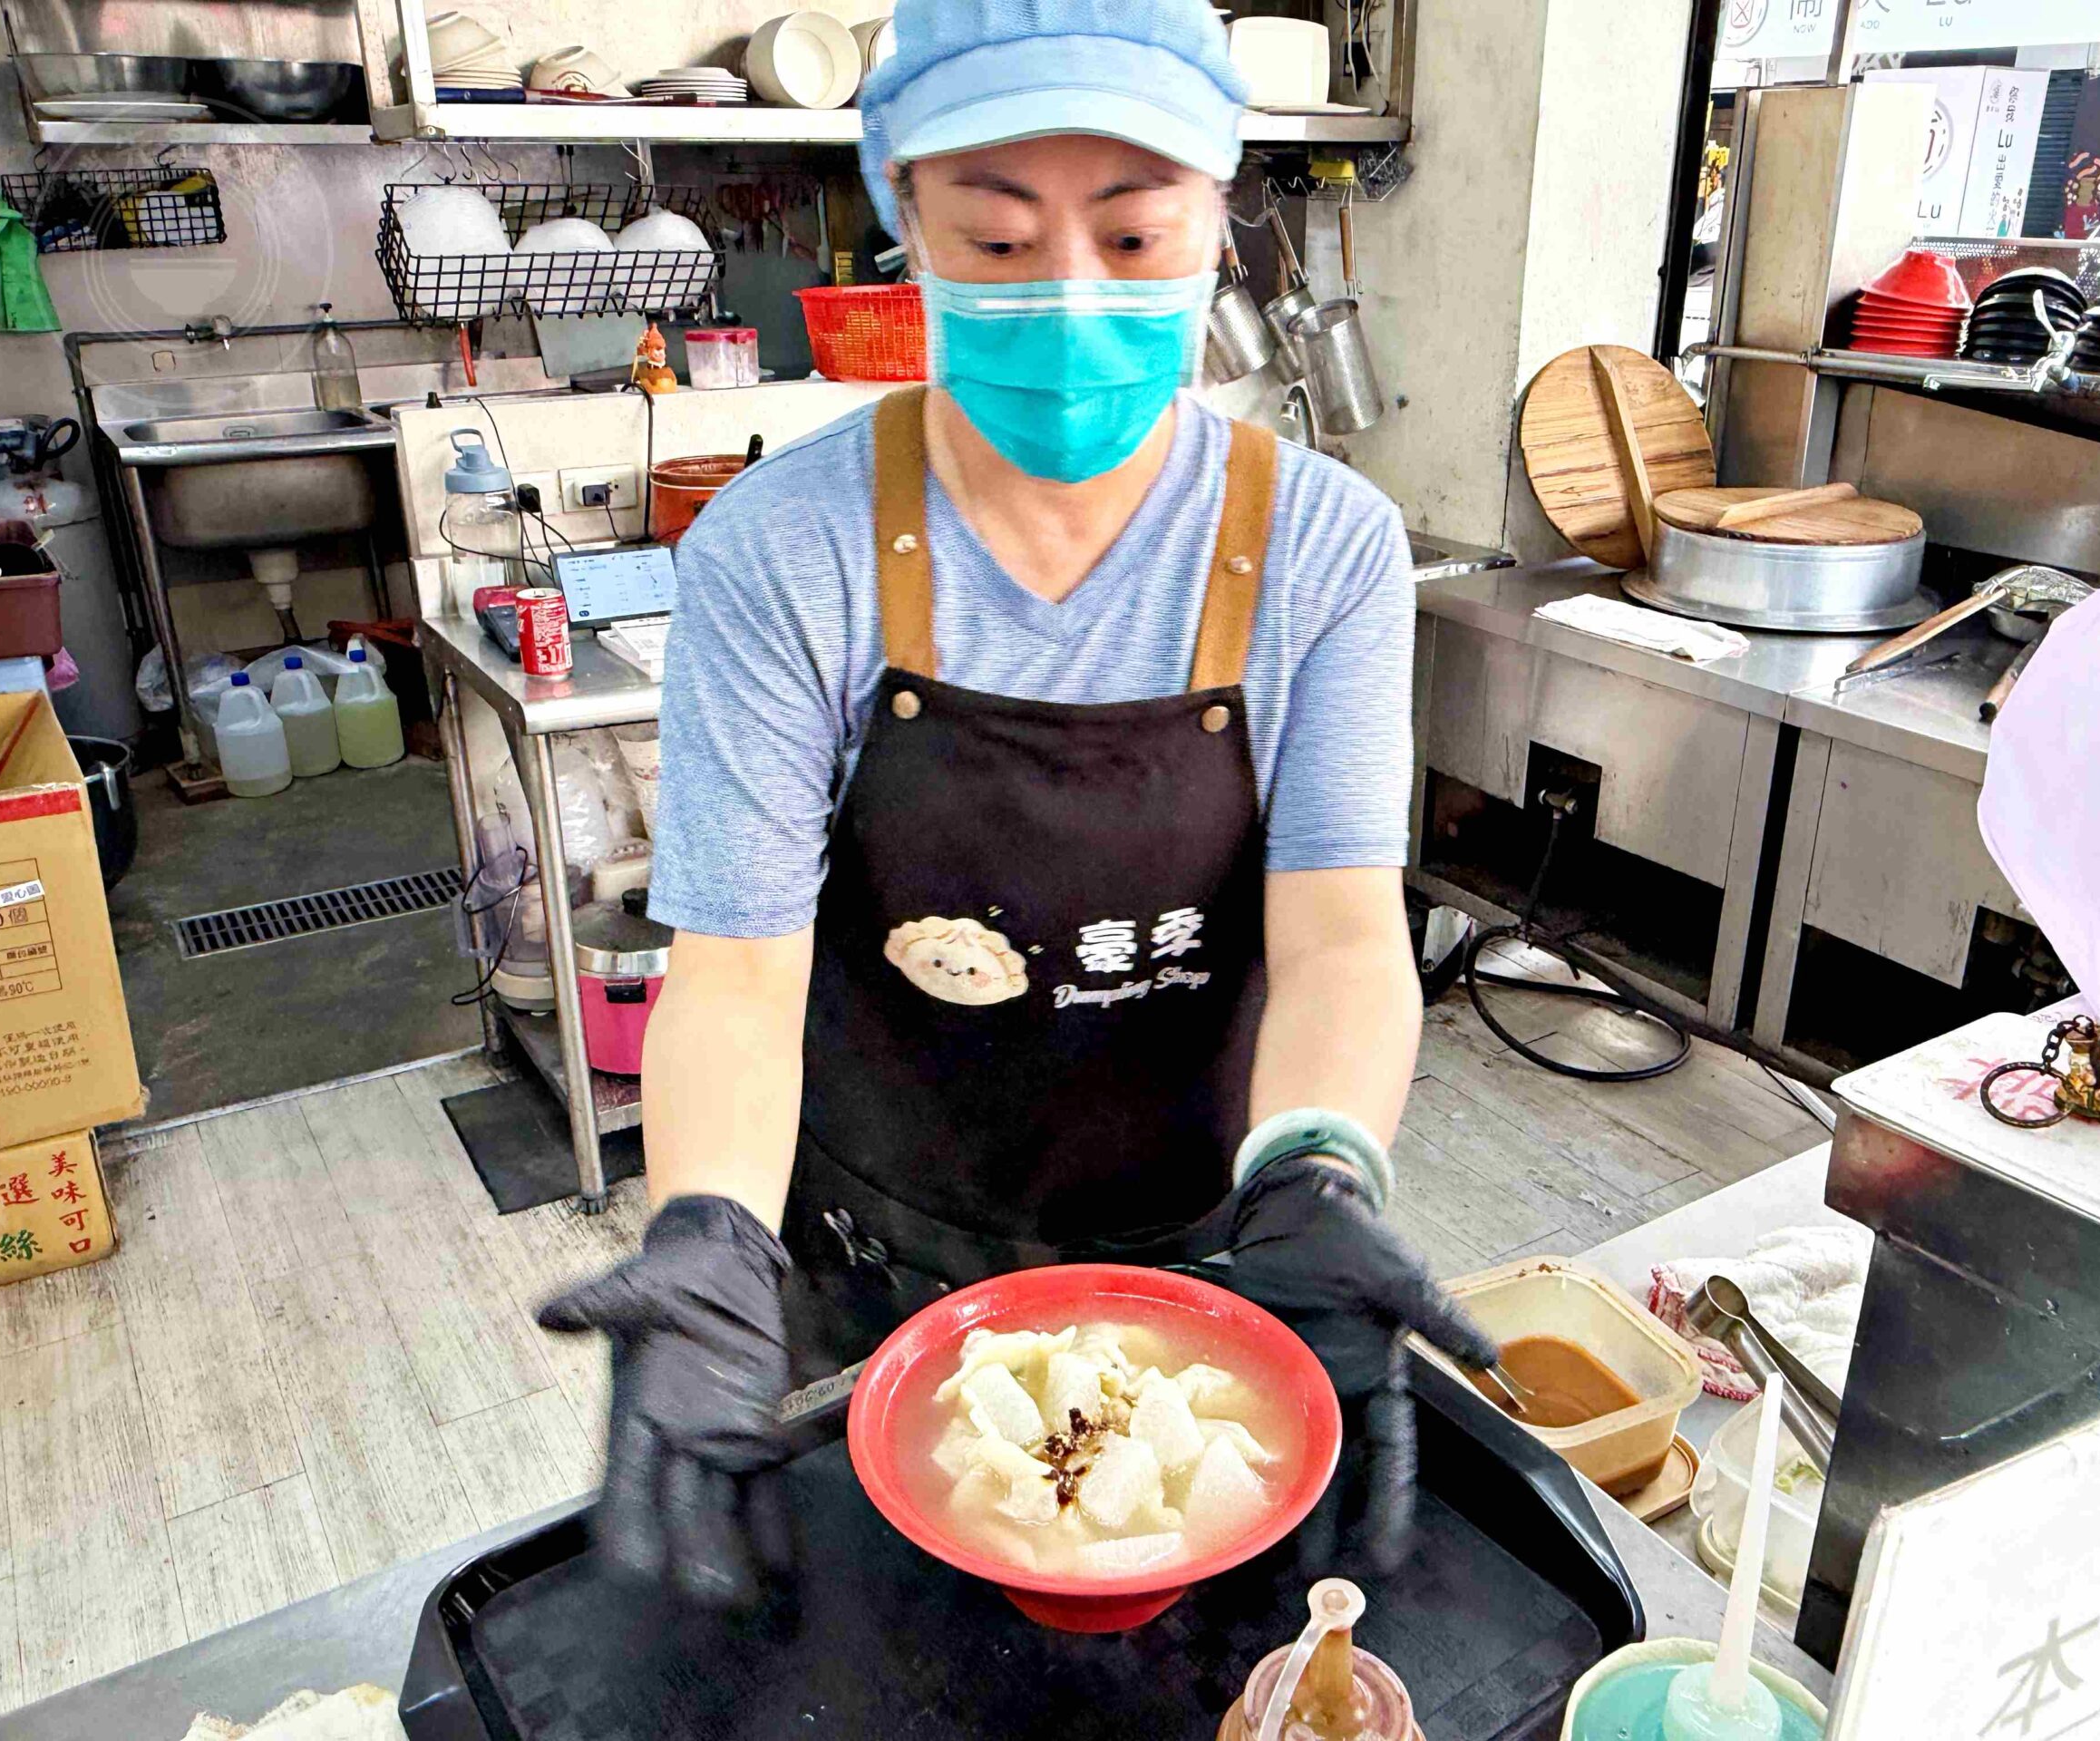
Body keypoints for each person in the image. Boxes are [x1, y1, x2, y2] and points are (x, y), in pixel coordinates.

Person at [539, 0, 1498, 1606]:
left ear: (1221, 217)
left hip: (1213, 1248)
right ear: (903, 221)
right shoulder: (786, 554)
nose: (1072, 300)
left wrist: (1322, 1172)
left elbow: (1337, 936)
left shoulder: (1323, 546)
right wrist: (708, 1226)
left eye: (1134, 234)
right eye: (995, 238)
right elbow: (740, 968)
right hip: (877, 1254)